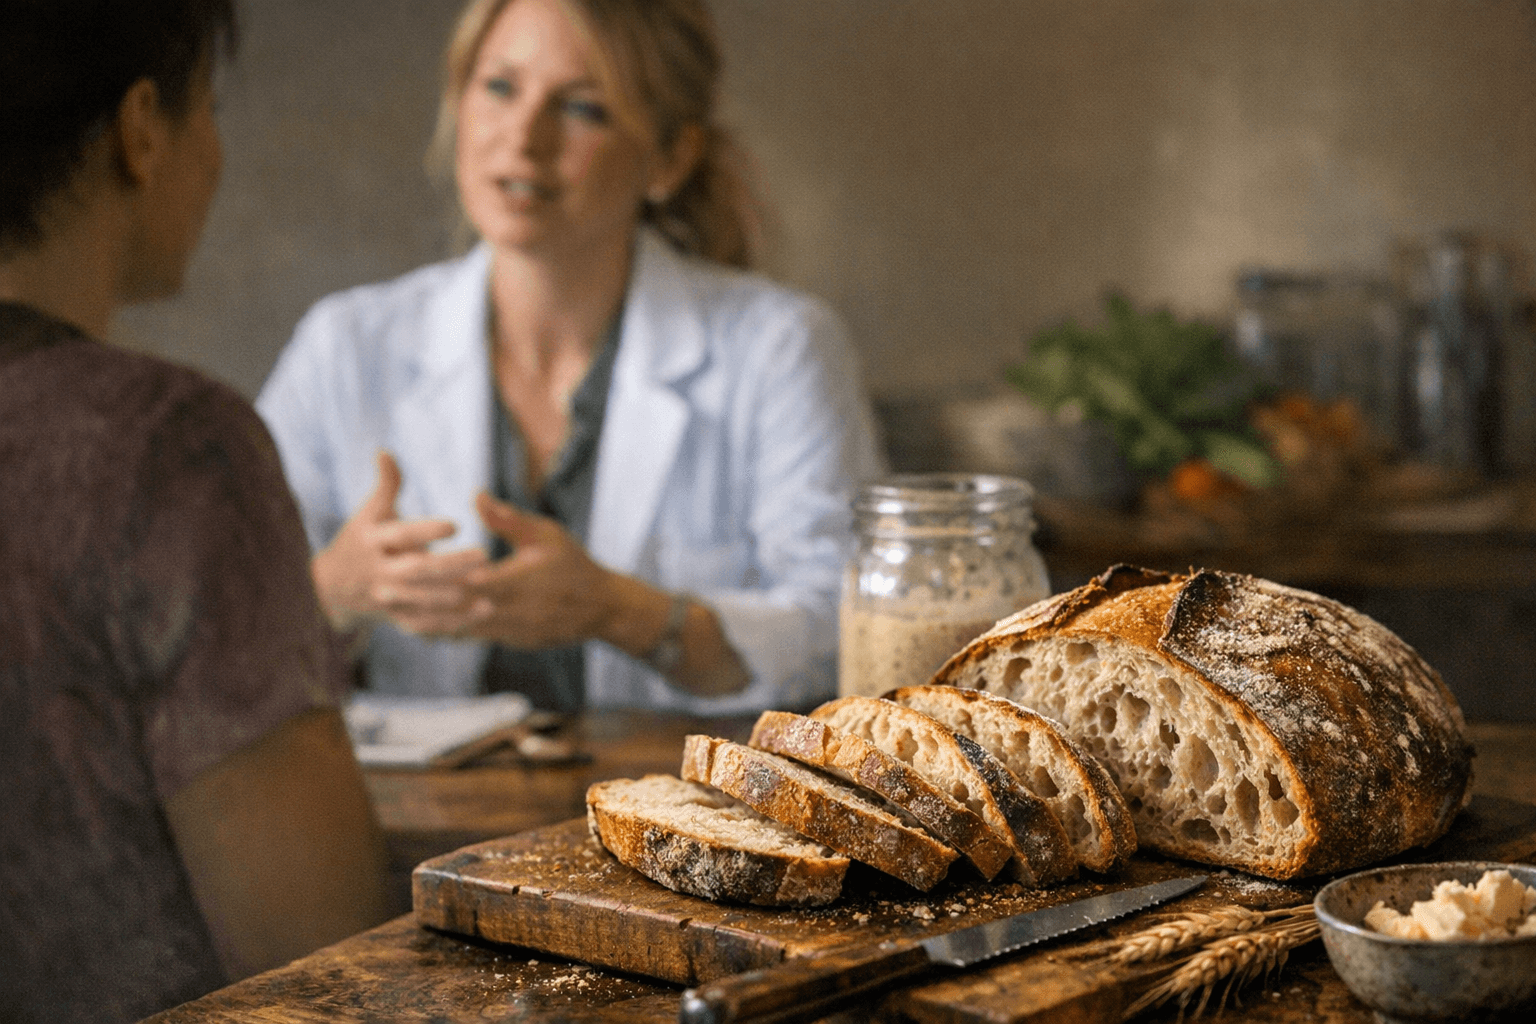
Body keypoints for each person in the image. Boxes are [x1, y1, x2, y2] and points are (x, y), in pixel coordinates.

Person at [256, 0, 885, 714]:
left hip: (682, 814)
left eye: (582, 108)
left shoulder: (780, 347)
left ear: (670, 157)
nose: (523, 138)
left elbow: (847, 639)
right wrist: (333, 593)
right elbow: (210, 640)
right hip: (415, 818)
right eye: (499, 87)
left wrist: (623, 612)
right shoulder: (343, 346)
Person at [0, 2, 393, 1020]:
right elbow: (326, 963)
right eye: (206, 110)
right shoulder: (172, 449)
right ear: (140, 129)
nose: (214, 153)